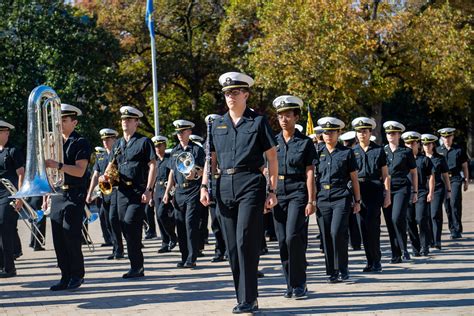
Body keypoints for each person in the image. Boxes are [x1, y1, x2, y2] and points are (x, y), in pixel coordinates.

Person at [200, 72, 278, 314]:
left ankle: (249, 298)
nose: (230, 97)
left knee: (245, 240)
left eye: (235, 92)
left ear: (246, 94)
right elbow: (209, 159)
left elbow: (272, 158)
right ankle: (243, 296)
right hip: (224, 186)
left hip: (250, 183)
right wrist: (204, 185)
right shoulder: (217, 124)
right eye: (226, 93)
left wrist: (272, 189)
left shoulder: (258, 122)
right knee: (232, 247)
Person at [99, 106, 156, 278]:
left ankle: (137, 266)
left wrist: (149, 189)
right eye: (123, 119)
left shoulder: (144, 142)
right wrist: (105, 177)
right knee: (124, 226)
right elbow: (112, 165)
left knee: (131, 223)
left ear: (136, 122)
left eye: (129, 119)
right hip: (121, 191)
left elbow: (153, 165)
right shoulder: (117, 144)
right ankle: (136, 266)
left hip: (138, 191)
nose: (125, 122)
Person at [272, 95, 316, 299]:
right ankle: (289, 283)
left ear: (296, 117)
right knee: (282, 241)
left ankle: (300, 283)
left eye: (288, 115)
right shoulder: (273, 141)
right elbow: (266, 169)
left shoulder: (305, 142)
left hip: (298, 190)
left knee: (293, 237)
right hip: (278, 191)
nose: (283, 119)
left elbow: (309, 172)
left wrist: (311, 199)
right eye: (280, 116)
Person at [45, 104, 91, 290]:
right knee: (58, 238)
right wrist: (47, 194)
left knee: (70, 235)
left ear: (74, 122)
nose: (60, 123)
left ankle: (77, 275)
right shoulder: (55, 143)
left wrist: (57, 165)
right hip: (57, 193)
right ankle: (64, 276)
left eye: (64, 120)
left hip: (74, 193)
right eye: (58, 120)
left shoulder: (80, 142)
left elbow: (80, 171)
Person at [315, 117, 361, 283]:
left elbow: (354, 178)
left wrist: (357, 200)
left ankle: (343, 267)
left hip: (341, 196)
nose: (328, 135)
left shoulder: (346, 153)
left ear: (338, 133)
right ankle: (332, 271)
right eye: (326, 132)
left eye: (332, 132)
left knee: (337, 232)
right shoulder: (318, 152)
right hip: (322, 198)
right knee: (326, 235)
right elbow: (314, 177)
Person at [163, 120, 205, 268]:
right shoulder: (174, 151)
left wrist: (194, 174)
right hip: (179, 191)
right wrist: (168, 192)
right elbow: (172, 173)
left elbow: (202, 170)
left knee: (190, 224)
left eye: (183, 132)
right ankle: (184, 256)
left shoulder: (197, 150)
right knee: (180, 225)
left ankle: (192, 258)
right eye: (178, 132)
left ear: (189, 132)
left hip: (193, 190)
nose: (180, 135)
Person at [352, 117, 390, 272]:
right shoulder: (352, 151)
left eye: (365, 131)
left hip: (374, 189)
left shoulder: (379, 150)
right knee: (363, 228)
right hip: (359, 190)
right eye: (359, 131)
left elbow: (386, 174)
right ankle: (369, 261)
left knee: (372, 225)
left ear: (370, 133)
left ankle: (377, 260)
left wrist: (387, 194)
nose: (362, 134)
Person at [382, 121, 417, 264]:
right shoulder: (382, 151)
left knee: (397, 218)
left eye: (394, 133)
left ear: (399, 135)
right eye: (389, 133)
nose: (391, 135)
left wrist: (415, 191)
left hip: (402, 187)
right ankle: (395, 253)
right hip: (386, 188)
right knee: (390, 222)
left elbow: (414, 173)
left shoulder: (406, 152)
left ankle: (404, 248)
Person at [86, 129, 124, 260]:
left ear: (114, 140)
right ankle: (115, 247)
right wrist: (90, 193)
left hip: (116, 191)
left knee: (114, 219)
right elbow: (95, 175)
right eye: (103, 140)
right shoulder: (101, 157)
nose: (105, 142)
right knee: (106, 220)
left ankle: (119, 249)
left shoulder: (119, 155)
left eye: (108, 139)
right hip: (104, 193)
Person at [403, 131, 434, 257]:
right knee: (410, 221)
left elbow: (431, 176)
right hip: (406, 192)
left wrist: (430, 192)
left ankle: (424, 245)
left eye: (413, 143)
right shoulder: (402, 159)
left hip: (421, 191)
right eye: (408, 143)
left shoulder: (424, 160)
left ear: (418, 144)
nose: (410, 145)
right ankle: (416, 248)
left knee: (421, 219)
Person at [0, 120, 25, 278]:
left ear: (7, 133)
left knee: (5, 228)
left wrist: (20, 196)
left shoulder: (13, 151)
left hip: (9, 193)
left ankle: (9, 267)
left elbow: (21, 174)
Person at [438, 127, 469, 239]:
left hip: (455, 178)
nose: (447, 139)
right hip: (443, 180)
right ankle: (452, 228)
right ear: (442, 137)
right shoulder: (438, 150)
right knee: (447, 205)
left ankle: (457, 229)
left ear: (452, 137)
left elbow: (464, 166)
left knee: (454, 203)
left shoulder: (459, 150)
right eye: (444, 137)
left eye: (449, 136)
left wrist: (466, 180)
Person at [421, 134, 451, 250]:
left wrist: (448, 189)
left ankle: (437, 240)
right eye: (424, 144)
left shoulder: (440, 158)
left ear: (433, 145)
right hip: (424, 189)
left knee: (435, 214)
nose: (426, 146)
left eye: (429, 144)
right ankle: (429, 240)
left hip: (438, 188)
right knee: (425, 215)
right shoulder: (420, 158)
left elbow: (445, 175)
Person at [151, 135, 177, 253]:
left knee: (167, 215)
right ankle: (166, 242)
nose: (157, 148)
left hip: (169, 190)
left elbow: (174, 176)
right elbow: (152, 179)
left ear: (164, 146)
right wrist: (151, 195)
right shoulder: (154, 161)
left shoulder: (169, 158)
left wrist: (173, 192)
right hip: (158, 190)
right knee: (159, 216)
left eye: (159, 145)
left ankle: (172, 236)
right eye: (155, 146)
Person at [339, 130, 362, 251]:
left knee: (351, 217)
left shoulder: (348, 152)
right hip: (349, 187)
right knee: (352, 217)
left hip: (351, 186)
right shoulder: (349, 152)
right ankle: (355, 242)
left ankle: (354, 241)